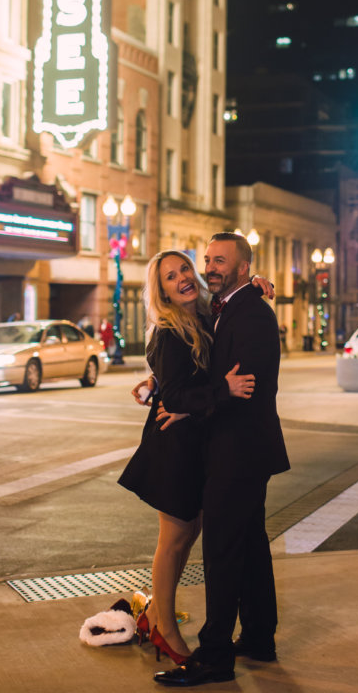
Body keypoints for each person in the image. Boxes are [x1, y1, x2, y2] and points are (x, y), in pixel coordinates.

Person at [154, 232, 290, 688]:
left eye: (219, 261)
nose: (210, 268)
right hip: (240, 449)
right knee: (249, 545)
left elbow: (243, 386)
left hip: (239, 449)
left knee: (223, 553)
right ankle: (256, 636)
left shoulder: (249, 313)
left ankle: (213, 656)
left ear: (243, 267)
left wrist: (192, 402)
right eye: (207, 259)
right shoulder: (228, 307)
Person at [118, 250, 258, 666]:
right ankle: (165, 630)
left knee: (187, 533)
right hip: (173, 445)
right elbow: (177, 394)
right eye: (169, 276)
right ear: (159, 290)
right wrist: (222, 392)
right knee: (174, 538)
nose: (181, 278)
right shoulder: (167, 330)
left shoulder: (199, 316)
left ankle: (156, 615)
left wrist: (257, 284)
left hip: (194, 442)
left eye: (184, 270)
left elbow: (174, 384)